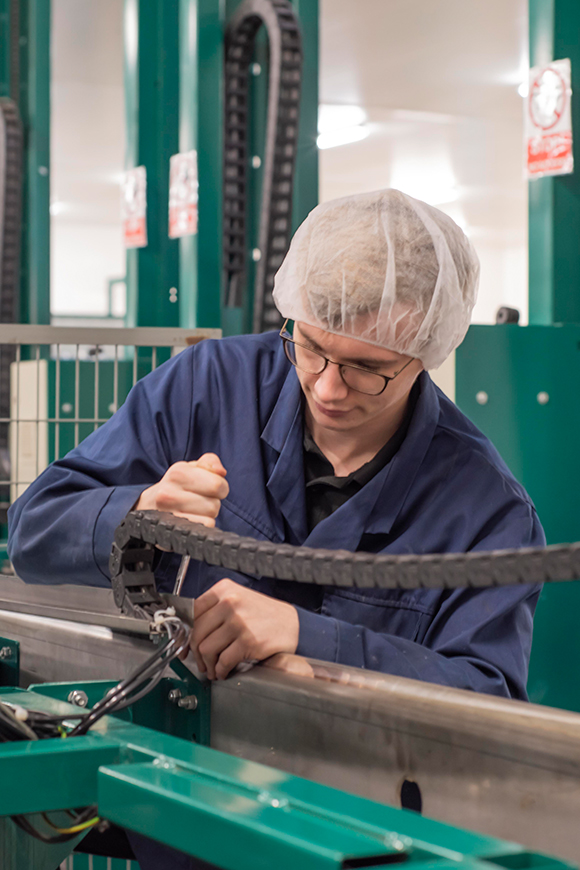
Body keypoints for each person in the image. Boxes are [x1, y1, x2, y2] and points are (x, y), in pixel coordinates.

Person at [7, 188, 544, 869]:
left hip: (355, 842)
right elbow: (33, 530)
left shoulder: (486, 511)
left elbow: (490, 709)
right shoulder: (207, 387)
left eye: (367, 369)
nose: (325, 388)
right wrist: (136, 512)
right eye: (312, 346)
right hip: (176, 819)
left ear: (425, 354)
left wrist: (308, 637)